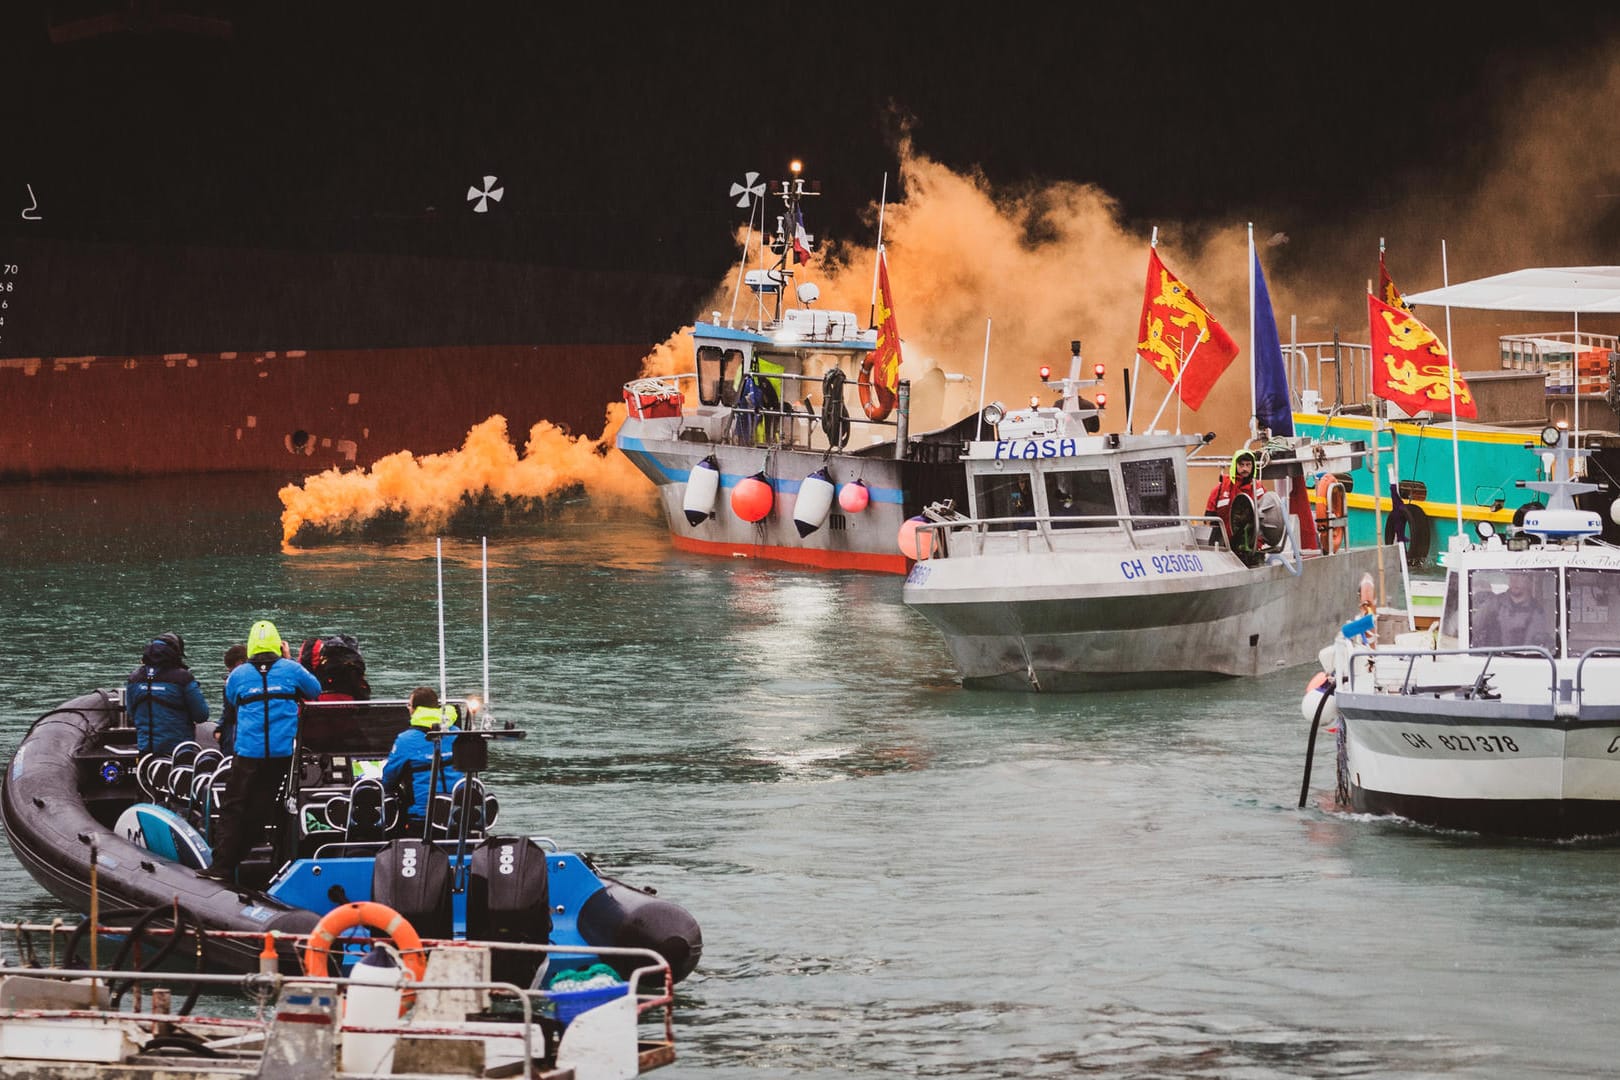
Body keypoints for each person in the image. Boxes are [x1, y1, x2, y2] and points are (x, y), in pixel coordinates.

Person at [199, 619, 322, 882]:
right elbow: (315, 691)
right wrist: (289, 662)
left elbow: (232, 700)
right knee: (264, 807)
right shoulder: (291, 670)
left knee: (234, 807)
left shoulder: (238, 675)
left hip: (248, 753)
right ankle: (269, 859)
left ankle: (222, 865)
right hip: (280, 754)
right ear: (278, 644)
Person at [382, 687, 464, 829]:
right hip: (458, 814)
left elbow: (389, 778)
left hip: (422, 818)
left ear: (415, 709)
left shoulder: (405, 740)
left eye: (409, 705)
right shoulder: (457, 733)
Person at [125, 632, 209, 757]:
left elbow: (131, 713)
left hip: (146, 751)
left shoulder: (134, 678)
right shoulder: (183, 678)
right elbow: (202, 715)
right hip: (178, 751)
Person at [1473, 574, 1557, 652]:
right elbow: (1473, 628)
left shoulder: (1538, 612)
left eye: (1520, 575)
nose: (1514, 579)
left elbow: (1546, 641)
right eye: (1512, 575)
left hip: (1527, 662)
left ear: (1530, 581)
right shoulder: (1492, 604)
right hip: (1493, 660)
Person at [1206, 449, 1266, 549]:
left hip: (1252, 547)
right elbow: (1208, 519)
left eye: (1248, 465)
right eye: (1241, 465)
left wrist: (1257, 545)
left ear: (1253, 466)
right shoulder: (1221, 488)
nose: (1245, 469)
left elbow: (1267, 519)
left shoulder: (1259, 489)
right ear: (1235, 465)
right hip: (1223, 547)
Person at [212, 643, 248, 751]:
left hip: (236, 735)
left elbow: (228, 713)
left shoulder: (231, 684)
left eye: (231, 671)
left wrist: (220, 728)